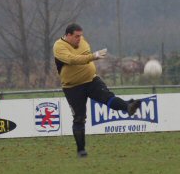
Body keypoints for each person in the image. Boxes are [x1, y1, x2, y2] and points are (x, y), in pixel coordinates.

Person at [53, 23, 141, 157]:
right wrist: (93, 56)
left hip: (91, 81)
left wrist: (90, 56)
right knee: (79, 118)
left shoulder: (83, 42)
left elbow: (84, 57)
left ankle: (128, 107)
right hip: (72, 87)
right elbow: (72, 60)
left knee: (108, 98)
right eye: (77, 36)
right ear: (68, 35)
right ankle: (81, 150)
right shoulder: (59, 46)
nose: (80, 39)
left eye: (81, 35)